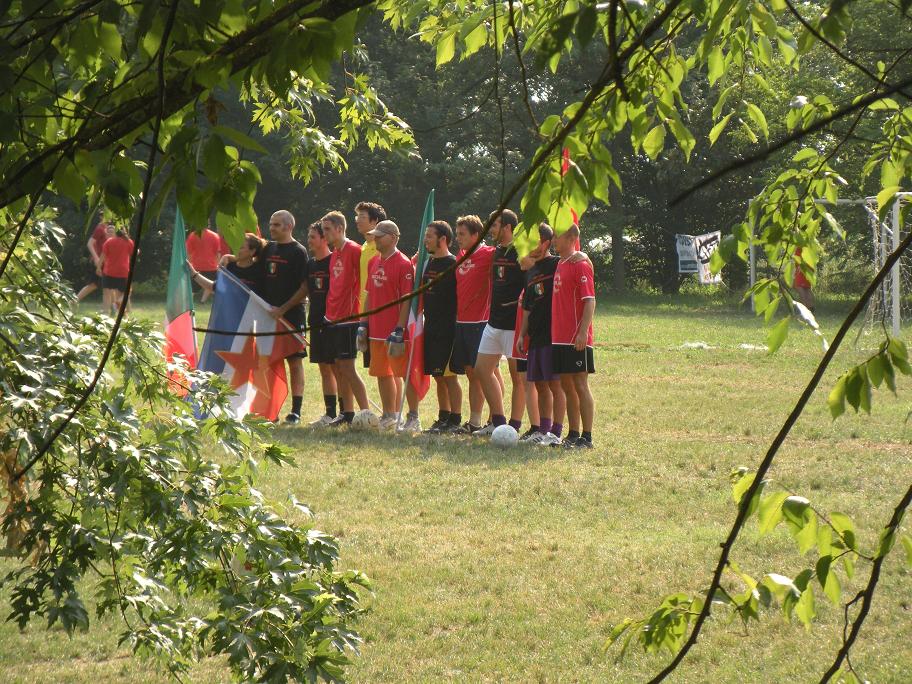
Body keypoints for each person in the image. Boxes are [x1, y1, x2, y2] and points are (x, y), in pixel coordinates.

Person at [359, 220, 421, 431]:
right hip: (375, 330)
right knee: (382, 373)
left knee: (404, 374)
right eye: (374, 235)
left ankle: (413, 417)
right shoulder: (373, 262)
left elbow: (406, 300)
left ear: (393, 238)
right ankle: (389, 415)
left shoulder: (403, 264)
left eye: (380, 235)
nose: (375, 238)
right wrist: (363, 323)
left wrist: (399, 328)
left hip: (395, 331)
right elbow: (369, 295)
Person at [472, 209, 527, 436]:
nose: (490, 229)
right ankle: (498, 421)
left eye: (494, 225)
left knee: (518, 378)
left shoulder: (522, 251)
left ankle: (513, 427)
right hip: (493, 323)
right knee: (481, 369)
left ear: (507, 227)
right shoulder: (496, 252)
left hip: (514, 325)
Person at [260, 210, 310, 424]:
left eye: (277, 225)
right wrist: (228, 258)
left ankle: (295, 411)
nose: (272, 228)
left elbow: (305, 287)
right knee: (270, 363)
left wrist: (283, 308)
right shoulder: (268, 249)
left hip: (292, 316)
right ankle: (271, 410)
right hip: (268, 317)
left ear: (289, 227)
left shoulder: (298, 252)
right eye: (271, 224)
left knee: (294, 362)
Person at [517, 224, 565, 447]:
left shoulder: (557, 264)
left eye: (533, 241)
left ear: (546, 243)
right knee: (540, 385)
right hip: (535, 336)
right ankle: (544, 430)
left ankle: (556, 432)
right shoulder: (531, 271)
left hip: (553, 335)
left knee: (555, 384)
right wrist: (522, 335)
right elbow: (528, 306)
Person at [322, 210, 370, 426]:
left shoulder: (354, 250)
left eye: (327, 229)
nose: (324, 234)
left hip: (349, 319)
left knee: (348, 368)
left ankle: (366, 414)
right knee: (339, 367)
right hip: (332, 318)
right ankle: (347, 413)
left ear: (340, 229)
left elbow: (364, 281)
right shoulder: (334, 253)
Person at [551, 224, 596, 449]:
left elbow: (590, 301)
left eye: (557, 235)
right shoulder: (561, 262)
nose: (553, 239)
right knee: (566, 385)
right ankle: (573, 434)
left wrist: (582, 332)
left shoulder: (581, 264)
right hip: (559, 337)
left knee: (580, 384)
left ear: (571, 238)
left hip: (575, 337)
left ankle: (586, 437)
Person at [450, 215, 495, 434]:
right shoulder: (461, 255)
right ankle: (474, 421)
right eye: (457, 234)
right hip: (461, 322)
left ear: (476, 235)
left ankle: (496, 418)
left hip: (481, 321)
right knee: (470, 373)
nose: (458, 238)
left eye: (462, 234)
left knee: (487, 372)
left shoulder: (489, 254)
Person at [419, 220, 462, 434]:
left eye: (429, 236)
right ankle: (443, 417)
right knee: (437, 375)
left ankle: (455, 419)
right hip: (430, 327)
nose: (425, 240)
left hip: (448, 329)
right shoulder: (427, 263)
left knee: (449, 376)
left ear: (442, 239)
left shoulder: (454, 264)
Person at [304, 221, 342, 427]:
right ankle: (330, 413)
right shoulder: (310, 264)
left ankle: (345, 412)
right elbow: (306, 290)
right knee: (324, 369)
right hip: (315, 321)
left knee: (337, 368)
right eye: (309, 236)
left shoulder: (334, 261)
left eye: (313, 237)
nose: (309, 240)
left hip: (332, 322)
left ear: (324, 239)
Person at [189, 232, 266, 295]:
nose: (236, 249)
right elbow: (216, 287)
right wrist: (193, 273)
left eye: (241, 247)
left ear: (252, 251)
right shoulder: (229, 266)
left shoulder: (259, 271)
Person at [98, 225, 134, 315]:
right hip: (123, 271)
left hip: (109, 271)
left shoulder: (109, 241)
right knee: (126, 292)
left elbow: (102, 256)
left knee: (106, 293)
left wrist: (98, 267)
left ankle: (106, 313)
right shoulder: (129, 242)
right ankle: (118, 305)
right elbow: (133, 253)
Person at [76, 214, 110, 302]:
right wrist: (96, 258)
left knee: (106, 285)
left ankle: (114, 306)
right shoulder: (100, 228)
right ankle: (73, 302)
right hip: (100, 261)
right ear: (101, 216)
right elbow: (90, 243)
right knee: (94, 285)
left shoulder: (108, 228)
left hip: (106, 261)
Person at [186, 224, 223, 303]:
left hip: (196, 267)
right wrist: (218, 265)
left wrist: (189, 265)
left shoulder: (193, 235)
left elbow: (188, 252)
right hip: (211, 267)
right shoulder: (215, 236)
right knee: (210, 285)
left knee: (192, 289)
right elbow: (218, 253)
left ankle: (188, 303)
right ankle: (202, 301)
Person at [793, 246, 815, 311]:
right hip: (808, 269)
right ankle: (810, 308)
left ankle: (806, 310)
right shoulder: (809, 246)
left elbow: (797, 260)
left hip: (802, 269)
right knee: (807, 289)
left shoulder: (800, 246)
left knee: (800, 288)